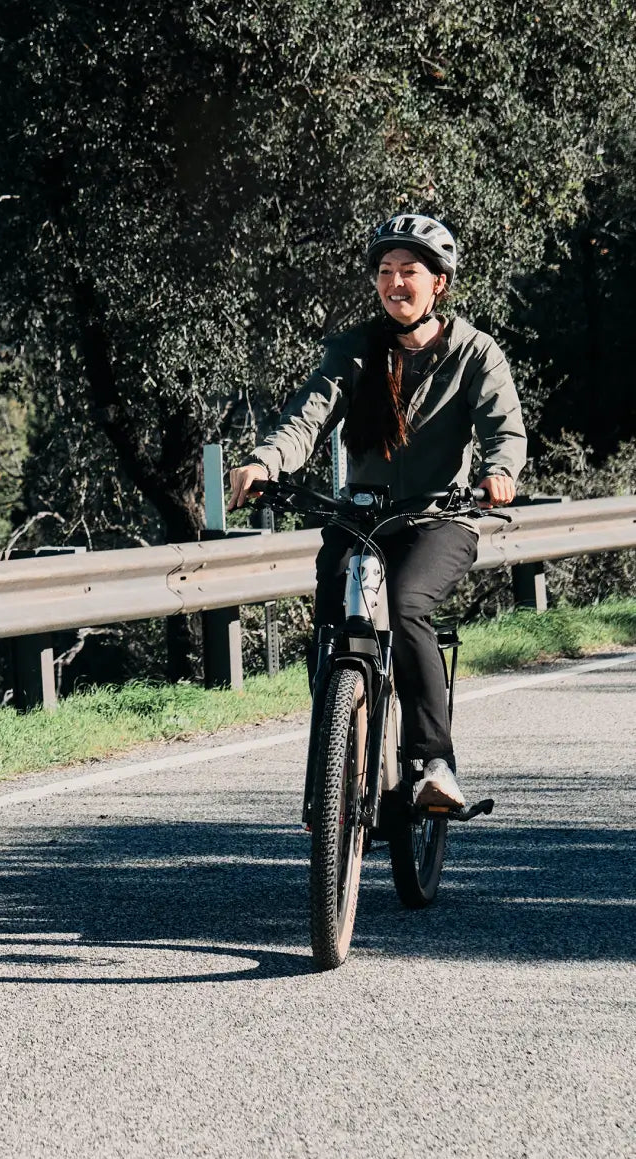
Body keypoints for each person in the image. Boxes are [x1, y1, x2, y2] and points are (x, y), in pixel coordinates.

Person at [227, 213, 526, 810]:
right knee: (334, 619)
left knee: (407, 607)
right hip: (359, 517)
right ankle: (335, 755)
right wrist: (265, 461)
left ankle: (434, 763)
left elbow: (504, 430)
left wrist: (499, 473)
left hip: (438, 518)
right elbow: (306, 416)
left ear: (438, 282)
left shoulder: (475, 354)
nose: (395, 282)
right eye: (385, 271)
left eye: (409, 271)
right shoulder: (354, 350)